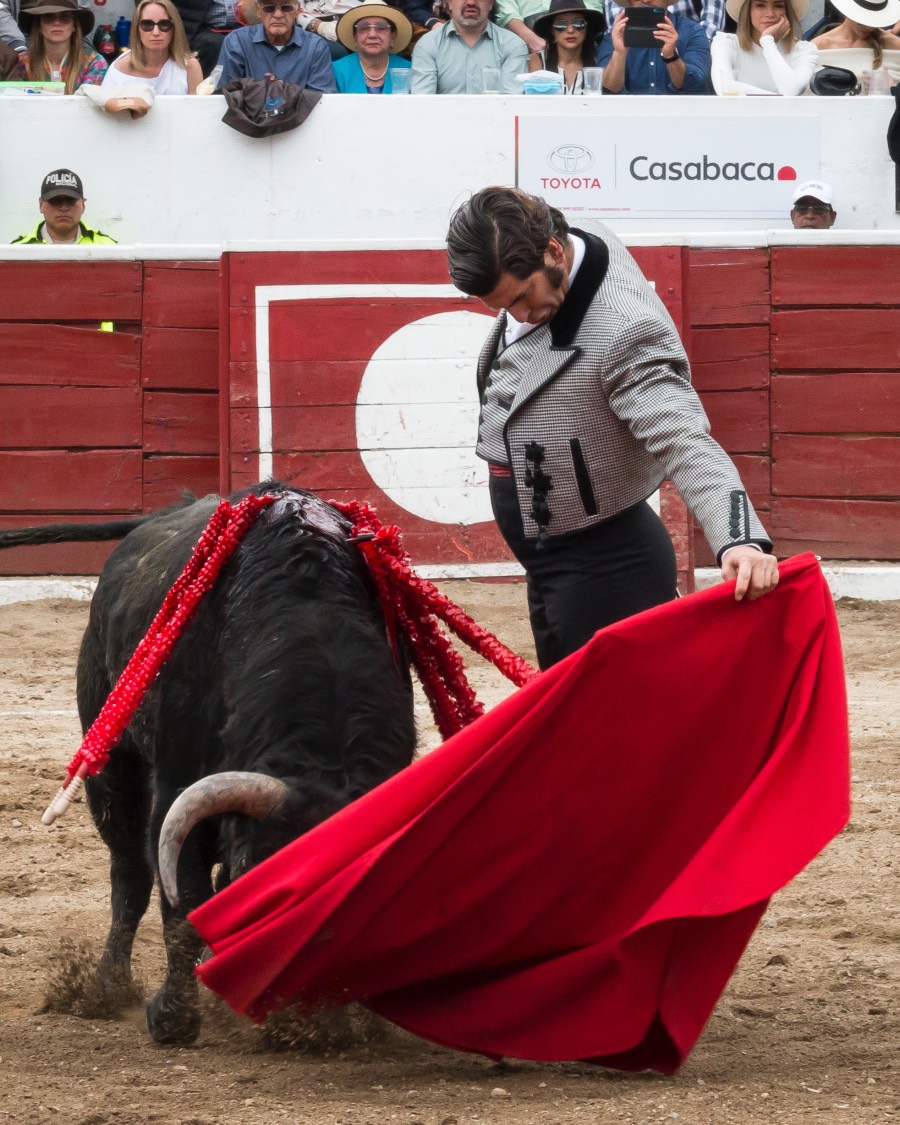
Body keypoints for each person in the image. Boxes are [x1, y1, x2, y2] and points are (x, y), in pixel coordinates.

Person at [446, 187, 778, 669]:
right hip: (556, 554)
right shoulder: (569, 242)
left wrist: (739, 536)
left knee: (616, 727)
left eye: (522, 297)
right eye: (501, 305)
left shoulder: (624, 331)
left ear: (554, 252)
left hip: (602, 566)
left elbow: (684, 438)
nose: (517, 316)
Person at [410, 0, 529, 92]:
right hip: (443, 122)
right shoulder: (427, 44)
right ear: (450, 3)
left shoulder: (513, 45)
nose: (471, 2)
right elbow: (423, 102)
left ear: (491, 4)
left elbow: (510, 103)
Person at [215, 0, 337, 88]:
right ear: (258, 11)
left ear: (296, 11)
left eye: (286, 7)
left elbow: (321, 99)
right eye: (269, 8)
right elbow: (228, 93)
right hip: (248, 121)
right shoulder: (236, 41)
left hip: (301, 121)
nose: (278, 15)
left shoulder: (316, 46)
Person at [598, 0, 711, 92]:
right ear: (630, 2)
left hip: (678, 114)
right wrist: (619, 53)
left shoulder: (693, 31)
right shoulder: (616, 35)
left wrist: (671, 56)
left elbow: (696, 85)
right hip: (631, 114)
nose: (646, 0)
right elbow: (608, 89)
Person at [710, 0, 817, 94]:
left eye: (778, 5)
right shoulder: (726, 43)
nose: (770, 13)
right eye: (760, 5)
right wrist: (779, 99)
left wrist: (767, 41)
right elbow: (725, 88)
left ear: (787, 11)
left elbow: (791, 90)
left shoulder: (804, 50)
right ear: (747, 10)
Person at [101, 0, 202, 93]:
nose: (156, 32)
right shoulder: (119, 68)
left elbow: (199, 110)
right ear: (137, 29)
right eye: (147, 24)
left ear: (175, 28)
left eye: (164, 24)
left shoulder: (190, 67)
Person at [18, 0, 106, 92]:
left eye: (65, 17)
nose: (57, 23)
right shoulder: (23, 62)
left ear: (74, 26)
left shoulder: (94, 63)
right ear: (39, 26)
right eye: (48, 16)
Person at [11, 169, 116, 245]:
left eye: (71, 200)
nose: (64, 207)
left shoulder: (108, 247)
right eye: (55, 200)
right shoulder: (16, 251)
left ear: (83, 205)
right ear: (41, 204)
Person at [811, 0, 900, 86]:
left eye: (873, 22)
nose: (868, 28)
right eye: (861, 21)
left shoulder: (895, 45)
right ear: (848, 11)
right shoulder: (818, 46)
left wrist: (893, 87)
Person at [333, 0, 412, 89]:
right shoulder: (336, 70)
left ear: (393, 36)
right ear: (355, 36)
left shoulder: (408, 69)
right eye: (364, 28)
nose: (372, 35)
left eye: (381, 28)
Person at [527, 0, 604, 91]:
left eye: (578, 23)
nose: (570, 30)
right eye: (560, 25)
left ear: (586, 29)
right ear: (552, 31)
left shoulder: (598, 61)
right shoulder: (538, 60)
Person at [493, 0, 604, 53]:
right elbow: (506, 11)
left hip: (581, 31)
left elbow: (593, 11)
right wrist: (532, 41)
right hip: (524, 36)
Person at [605, 0, 725, 42]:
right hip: (635, 46)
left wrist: (694, 46)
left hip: (688, 44)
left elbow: (711, 24)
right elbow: (616, 26)